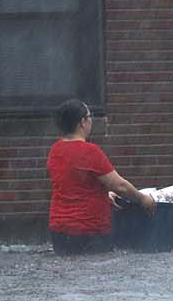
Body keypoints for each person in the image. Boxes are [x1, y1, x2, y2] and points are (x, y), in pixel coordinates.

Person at [46, 98, 155, 255]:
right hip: (89, 230)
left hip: (59, 229)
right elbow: (120, 186)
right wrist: (143, 199)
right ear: (82, 122)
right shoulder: (90, 151)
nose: (91, 121)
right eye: (90, 117)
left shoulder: (55, 150)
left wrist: (103, 194)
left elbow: (72, 183)